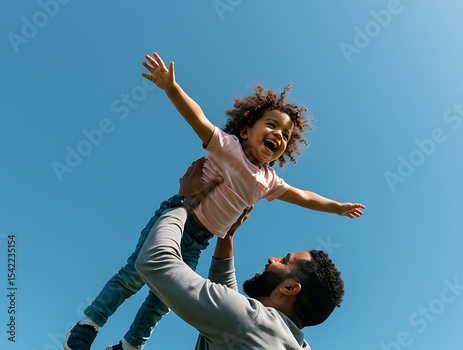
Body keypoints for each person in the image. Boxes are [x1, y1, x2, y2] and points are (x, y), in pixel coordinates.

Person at [64, 51, 364, 350]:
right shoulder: (228, 147)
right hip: (178, 217)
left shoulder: (268, 180)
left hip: (200, 240)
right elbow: (198, 118)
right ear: (246, 130)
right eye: (272, 125)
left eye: (286, 135)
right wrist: (171, 87)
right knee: (133, 276)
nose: (279, 135)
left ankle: (130, 345)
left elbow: (303, 196)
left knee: (162, 301)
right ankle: (89, 323)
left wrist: (337, 208)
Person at [135, 157, 345, 349]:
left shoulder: (250, 324)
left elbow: (154, 262)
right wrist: (228, 235)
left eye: (284, 261)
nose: (272, 259)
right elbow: (229, 301)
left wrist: (182, 202)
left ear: (289, 287)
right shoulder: (293, 343)